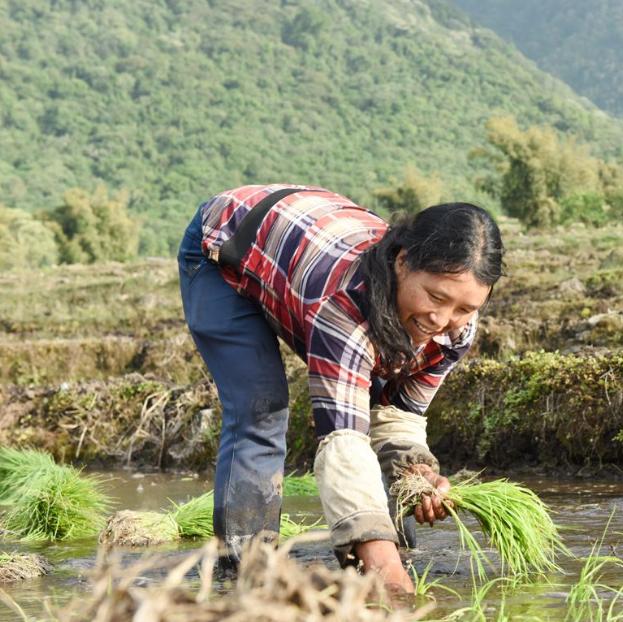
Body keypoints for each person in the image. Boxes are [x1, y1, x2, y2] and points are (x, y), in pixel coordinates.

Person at [177, 183, 504, 593]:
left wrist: (416, 473)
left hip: (304, 246)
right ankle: (246, 574)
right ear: (402, 263)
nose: (442, 319)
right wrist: (391, 586)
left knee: (377, 417)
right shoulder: (344, 306)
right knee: (261, 408)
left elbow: (397, 414)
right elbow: (344, 440)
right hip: (229, 246)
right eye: (436, 297)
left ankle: (394, 552)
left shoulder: (456, 329)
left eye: (465, 308)